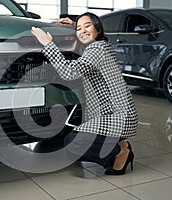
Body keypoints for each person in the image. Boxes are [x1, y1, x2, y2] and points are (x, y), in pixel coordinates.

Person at [31, 12, 138, 175]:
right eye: (78, 28)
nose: (82, 31)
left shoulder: (98, 48)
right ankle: (120, 147)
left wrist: (47, 44)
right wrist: (75, 25)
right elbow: (79, 63)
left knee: (73, 143)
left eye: (87, 26)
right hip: (115, 114)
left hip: (117, 116)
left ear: (98, 28)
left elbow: (70, 73)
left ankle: (119, 152)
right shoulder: (100, 46)